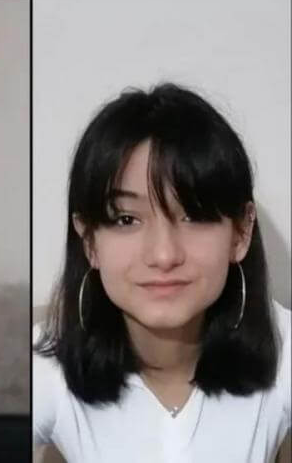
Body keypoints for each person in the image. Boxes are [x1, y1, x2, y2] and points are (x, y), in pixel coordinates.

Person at [33, 84, 290, 462]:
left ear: (241, 232)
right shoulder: (44, 365)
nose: (164, 255)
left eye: (194, 215)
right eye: (126, 219)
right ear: (89, 240)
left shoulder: (285, 352)